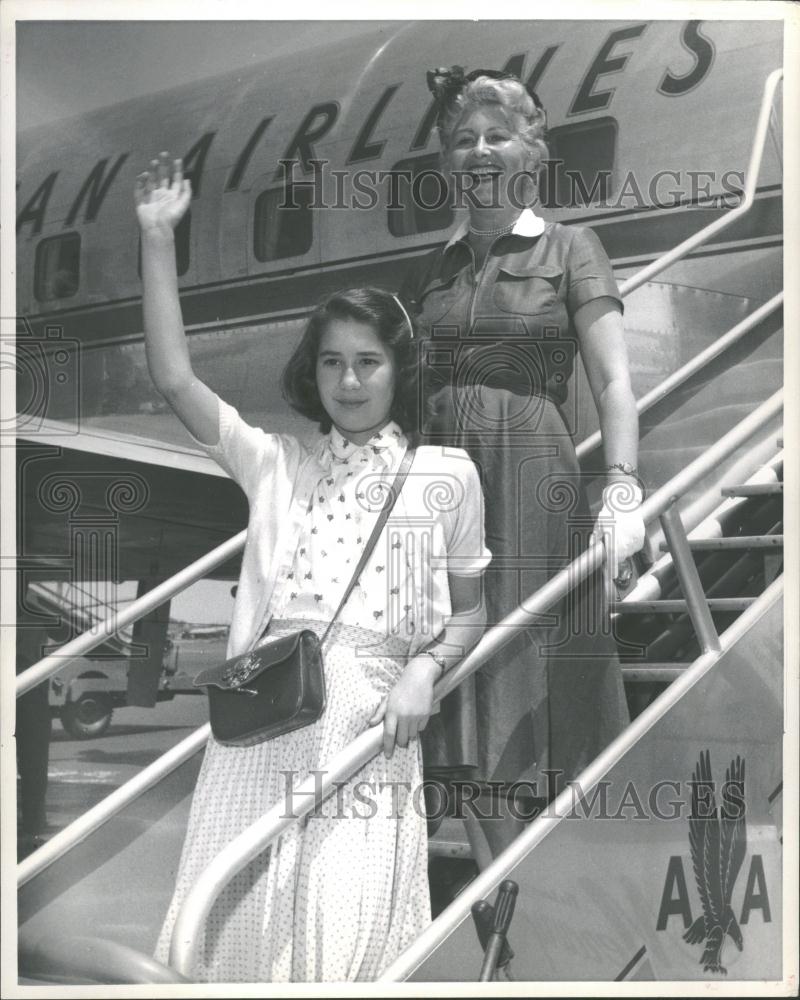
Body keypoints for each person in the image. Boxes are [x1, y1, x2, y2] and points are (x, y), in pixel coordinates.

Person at [135, 153, 489, 982]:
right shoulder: (278, 465)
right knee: (239, 928)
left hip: (366, 725)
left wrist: (425, 674)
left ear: (399, 370)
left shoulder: (447, 477)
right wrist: (157, 241)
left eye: (368, 361)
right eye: (332, 362)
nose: (350, 380)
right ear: (312, 371)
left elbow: (468, 613)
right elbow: (175, 379)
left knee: (338, 925)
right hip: (264, 715)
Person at [400, 68, 646, 859]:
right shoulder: (432, 274)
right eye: (463, 140)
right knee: (451, 656)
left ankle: (555, 863)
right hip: (443, 483)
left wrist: (622, 490)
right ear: (449, 163)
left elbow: (612, 381)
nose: (480, 152)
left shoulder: (572, 247)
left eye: (497, 136)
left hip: (530, 475)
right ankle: (488, 867)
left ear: (531, 153)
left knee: (531, 655)